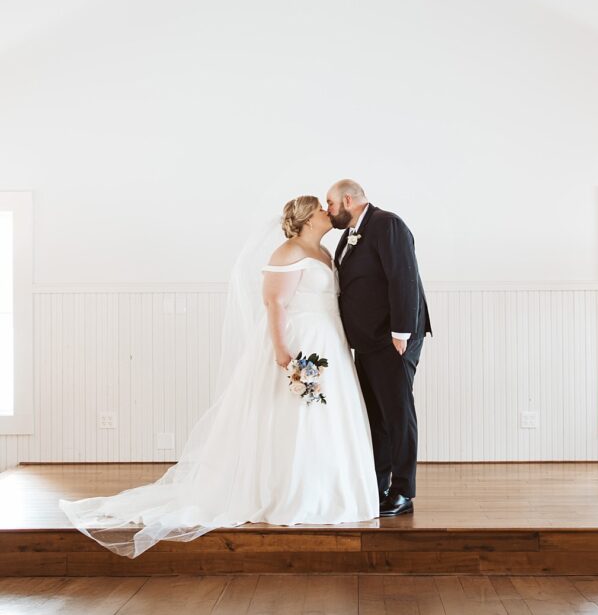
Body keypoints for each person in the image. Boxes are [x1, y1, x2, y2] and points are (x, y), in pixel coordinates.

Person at [58, 195, 379, 557]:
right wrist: (283, 353)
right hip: (301, 343)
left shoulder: (322, 252)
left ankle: (329, 489)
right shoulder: (286, 252)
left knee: (328, 419)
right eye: (320, 207)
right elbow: (275, 303)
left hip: (329, 340)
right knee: (293, 418)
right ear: (306, 218)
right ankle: (287, 492)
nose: (326, 210)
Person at [327, 180, 432, 517]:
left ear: (347, 199)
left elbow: (403, 276)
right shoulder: (351, 234)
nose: (327, 211)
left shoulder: (387, 224)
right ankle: (379, 484)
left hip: (392, 339)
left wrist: (401, 332)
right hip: (368, 341)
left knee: (397, 413)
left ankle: (403, 491)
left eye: (330, 203)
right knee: (376, 415)